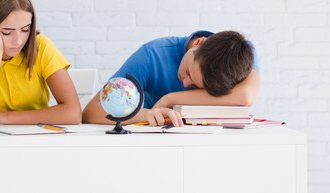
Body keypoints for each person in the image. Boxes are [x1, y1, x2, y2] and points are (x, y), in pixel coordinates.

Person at [82, 30, 260, 126]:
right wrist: (145, 114)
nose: (185, 83)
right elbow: (92, 112)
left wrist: (170, 99)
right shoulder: (152, 55)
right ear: (199, 43)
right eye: (189, 73)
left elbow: (245, 97)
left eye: (197, 87)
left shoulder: (240, 56)